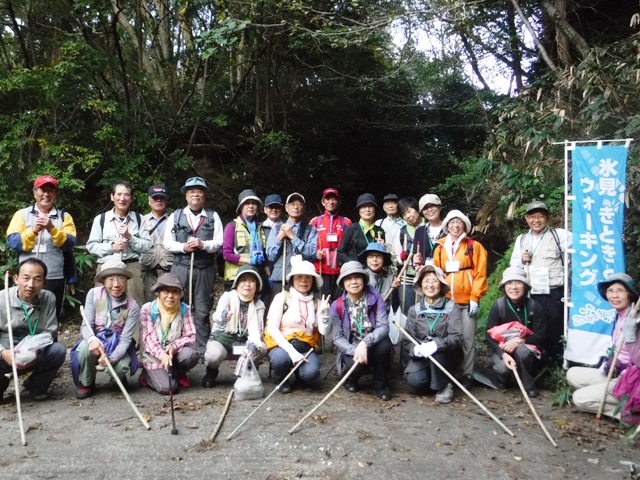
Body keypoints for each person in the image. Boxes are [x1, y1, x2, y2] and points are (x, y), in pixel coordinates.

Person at [163, 177, 223, 359]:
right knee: (177, 306)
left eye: (199, 191)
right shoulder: (175, 216)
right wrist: (183, 247)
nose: (195, 195)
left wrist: (203, 244)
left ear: (204, 196)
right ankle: (177, 349)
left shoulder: (213, 217)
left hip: (204, 269)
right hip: (180, 268)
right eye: (191, 192)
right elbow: (167, 243)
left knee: (203, 310)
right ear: (186, 196)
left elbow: (220, 242)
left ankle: (204, 352)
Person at [567, 274, 640, 420]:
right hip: (616, 373)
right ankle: (604, 395)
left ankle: (626, 414)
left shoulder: (635, 318)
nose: (614, 295)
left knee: (580, 399)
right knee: (572, 374)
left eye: (620, 290)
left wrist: (631, 337)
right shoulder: (619, 315)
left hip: (631, 380)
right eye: (610, 291)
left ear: (630, 294)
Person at [7, 175, 77, 319]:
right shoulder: (22, 214)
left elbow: (70, 243)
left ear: (55, 194)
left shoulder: (64, 217)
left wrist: (52, 228)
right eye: (42, 190)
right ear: (35, 193)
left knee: (51, 314)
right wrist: (32, 231)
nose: (46, 194)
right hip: (27, 277)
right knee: (23, 314)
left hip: (54, 276)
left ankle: (51, 340)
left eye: (50, 191)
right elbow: (13, 242)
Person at [432, 210, 488, 386]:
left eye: (459, 222)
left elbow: (480, 274)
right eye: (452, 222)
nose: (455, 225)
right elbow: (436, 273)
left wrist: (475, 297)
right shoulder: (440, 247)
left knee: (467, 338)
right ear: (447, 226)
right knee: (447, 337)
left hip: (467, 300)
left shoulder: (474, 246)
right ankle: (449, 371)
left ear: (465, 225)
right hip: (447, 301)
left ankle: (467, 375)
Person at [71, 259, 140, 399]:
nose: (116, 284)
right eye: (111, 279)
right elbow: (86, 325)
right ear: (103, 281)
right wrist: (91, 339)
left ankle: (117, 379)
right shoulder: (94, 294)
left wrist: (112, 358)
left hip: (117, 343)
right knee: (84, 349)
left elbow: (126, 338)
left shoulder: (133, 306)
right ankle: (87, 382)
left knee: (121, 367)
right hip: (97, 338)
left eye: (121, 279)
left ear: (126, 281)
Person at [509, 201, 571, 358]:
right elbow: (514, 266)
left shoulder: (560, 235)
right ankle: (536, 360)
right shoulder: (522, 239)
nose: (536, 220)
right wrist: (523, 260)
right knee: (533, 327)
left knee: (555, 327)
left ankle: (555, 361)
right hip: (531, 293)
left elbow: (585, 243)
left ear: (547, 218)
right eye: (532, 217)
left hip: (554, 292)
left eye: (540, 217)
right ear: (526, 219)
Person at [0, 259, 66, 401]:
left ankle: (35, 385)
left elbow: (51, 331)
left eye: (37, 279)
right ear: (16, 279)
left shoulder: (48, 298)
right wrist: (3, 352)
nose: (31, 285)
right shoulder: (1, 299)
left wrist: (31, 351)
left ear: (44, 282)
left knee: (58, 350)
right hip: (6, 350)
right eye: (26, 278)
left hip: (34, 349)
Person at [265, 256, 330, 393]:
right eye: (299, 277)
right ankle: (281, 378)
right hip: (282, 345)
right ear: (293, 279)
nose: (304, 281)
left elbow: (324, 331)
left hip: (306, 346)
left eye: (308, 278)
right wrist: (291, 352)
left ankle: (301, 376)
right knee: (280, 360)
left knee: (311, 373)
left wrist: (324, 314)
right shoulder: (282, 297)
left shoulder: (316, 303)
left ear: (313, 281)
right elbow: (272, 328)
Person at [330, 261, 392, 401]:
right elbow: (337, 338)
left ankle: (380, 385)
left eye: (357, 277)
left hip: (373, 342)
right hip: (351, 345)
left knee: (385, 345)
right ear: (343, 283)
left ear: (364, 280)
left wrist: (365, 343)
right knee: (355, 365)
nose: (353, 282)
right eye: (348, 278)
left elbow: (384, 326)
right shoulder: (337, 305)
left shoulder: (375, 298)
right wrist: (355, 349)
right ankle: (351, 380)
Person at [87, 180, 152, 309]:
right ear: (112, 196)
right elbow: (91, 246)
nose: (123, 198)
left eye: (127, 195)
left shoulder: (139, 219)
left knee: (135, 305)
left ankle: (135, 330)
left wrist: (130, 237)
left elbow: (147, 245)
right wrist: (112, 247)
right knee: (103, 306)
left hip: (131, 266)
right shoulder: (101, 219)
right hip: (106, 266)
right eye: (119, 194)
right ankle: (104, 330)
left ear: (131, 198)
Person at [404, 265, 463, 404]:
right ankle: (433, 381)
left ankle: (444, 385)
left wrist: (436, 344)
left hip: (446, 355)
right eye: (426, 281)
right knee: (414, 380)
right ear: (421, 285)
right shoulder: (415, 310)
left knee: (437, 351)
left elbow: (456, 337)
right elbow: (407, 339)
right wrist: (416, 349)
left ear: (441, 284)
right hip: (423, 357)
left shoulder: (452, 307)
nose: (430, 285)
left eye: (434, 281)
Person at [202, 265, 268, 388]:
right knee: (213, 355)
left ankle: (248, 370)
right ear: (237, 283)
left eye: (252, 281)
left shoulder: (259, 304)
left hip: (245, 342)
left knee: (262, 348)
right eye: (243, 280)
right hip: (222, 339)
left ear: (257, 286)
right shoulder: (228, 296)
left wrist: (254, 344)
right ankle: (211, 371)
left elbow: (259, 330)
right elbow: (216, 316)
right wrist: (224, 316)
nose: (247, 284)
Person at [486, 268, 546, 397]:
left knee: (522, 352)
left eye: (518, 283)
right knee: (503, 368)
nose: (513, 287)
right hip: (502, 348)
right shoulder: (498, 307)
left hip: (524, 347)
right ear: (504, 287)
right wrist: (503, 355)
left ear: (525, 286)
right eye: (509, 283)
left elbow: (540, 336)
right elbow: (488, 336)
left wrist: (519, 341)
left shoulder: (534, 307)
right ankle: (503, 378)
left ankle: (528, 384)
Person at [139, 273, 198, 395]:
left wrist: (174, 347)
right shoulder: (148, 309)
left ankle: (176, 372)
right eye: (166, 291)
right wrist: (162, 355)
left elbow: (190, 335)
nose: (170, 296)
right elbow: (148, 340)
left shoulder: (184, 308)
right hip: (154, 357)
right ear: (158, 292)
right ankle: (147, 375)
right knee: (168, 389)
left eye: (175, 292)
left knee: (190, 355)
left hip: (173, 353)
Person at [266, 193, 318, 297]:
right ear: (286, 208)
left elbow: (311, 252)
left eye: (299, 204)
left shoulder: (311, 229)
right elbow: (270, 256)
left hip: (302, 279)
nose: (296, 207)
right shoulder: (277, 229)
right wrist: (279, 238)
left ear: (303, 208)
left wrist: (293, 237)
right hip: (281, 277)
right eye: (292, 204)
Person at [222, 189, 269, 291]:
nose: (251, 206)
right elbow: (226, 254)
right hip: (236, 278)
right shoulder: (232, 226)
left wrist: (268, 275)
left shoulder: (260, 228)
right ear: (241, 207)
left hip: (255, 276)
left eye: (254, 203)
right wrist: (250, 261)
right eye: (247, 203)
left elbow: (263, 255)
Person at [311, 188, 352, 299]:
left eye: (334, 199)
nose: (331, 202)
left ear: (338, 202)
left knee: (339, 301)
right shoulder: (316, 221)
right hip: (321, 267)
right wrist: (315, 253)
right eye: (328, 199)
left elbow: (351, 246)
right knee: (322, 300)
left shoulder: (346, 222)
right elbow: (309, 243)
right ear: (323, 202)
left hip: (340, 268)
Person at [140, 184, 173, 302]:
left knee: (167, 302)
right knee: (146, 303)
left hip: (168, 269)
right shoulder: (141, 220)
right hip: (146, 269)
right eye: (155, 197)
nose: (158, 200)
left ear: (167, 200)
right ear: (149, 201)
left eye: (162, 197)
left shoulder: (175, 220)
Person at [393, 197, 425, 314]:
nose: (408, 216)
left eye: (409, 211)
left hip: (425, 277)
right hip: (407, 278)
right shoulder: (401, 232)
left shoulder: (429, 226)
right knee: (408, 311)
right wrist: (401, 259)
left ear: (417, 209)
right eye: (404, 214)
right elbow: (397, 257)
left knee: (425, 311)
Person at [338, 193, 385, 265]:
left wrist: (383, 246)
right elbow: (340, 252)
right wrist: (352, 264)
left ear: (375, 210)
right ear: (359, 211)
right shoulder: (352, 229)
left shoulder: (379, 231)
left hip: (374, 271)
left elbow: (383, 255)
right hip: (356, 271)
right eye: (363, 207)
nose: (367, 210)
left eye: (370, 206)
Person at [358, 242, 399, 311]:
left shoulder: (391, 278)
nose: (374, 259)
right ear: (366, 259)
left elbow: (395, 306)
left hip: (385, 315)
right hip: (363, 315)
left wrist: (394, 289)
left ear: (384, 260)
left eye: (378, 256)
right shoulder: (360, 276)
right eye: (371, 256)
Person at [412, 194, 446, 268]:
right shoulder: (419, 231)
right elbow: (415, 258)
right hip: (425, 275)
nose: (429, 210)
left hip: (445, 274)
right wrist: (415, 261)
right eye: (425, 208)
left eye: (432, 206)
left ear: (439, 207)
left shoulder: (448, 229)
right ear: (422, 212)